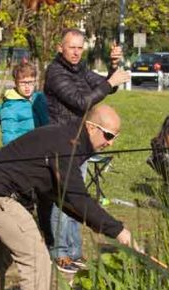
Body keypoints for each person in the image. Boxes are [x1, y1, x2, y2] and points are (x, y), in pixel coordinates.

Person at [0, 104, 141, 290]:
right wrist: (120, 232)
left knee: (2, 255)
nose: (110, 144)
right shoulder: (67, 143)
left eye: (114, 138)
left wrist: (92, 221)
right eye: (109, 136)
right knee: (38, 260)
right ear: (92, 127)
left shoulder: (67, 137)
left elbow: (59, 195)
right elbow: (77, 197)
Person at [42, 28, 130, 273]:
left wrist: (113, 67)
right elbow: (82, 102)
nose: (76, 52)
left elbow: (104, 86)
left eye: (80, 48)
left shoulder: (79, 69)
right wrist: (109, 83)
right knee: (63, 199)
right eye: (72, 47)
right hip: (61, 142)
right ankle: (60, 253)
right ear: (61, 47)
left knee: (76, 196)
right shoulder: (55, 72)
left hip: (80, 141)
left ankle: (74, 251)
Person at [0, 62, 49, 145]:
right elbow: (8, 138)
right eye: (23, 83)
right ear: (16, 82)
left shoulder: (40, 99)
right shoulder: (10, 107)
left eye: (30, 82)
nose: (27, 87)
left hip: (45, 147)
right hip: (25, 150)